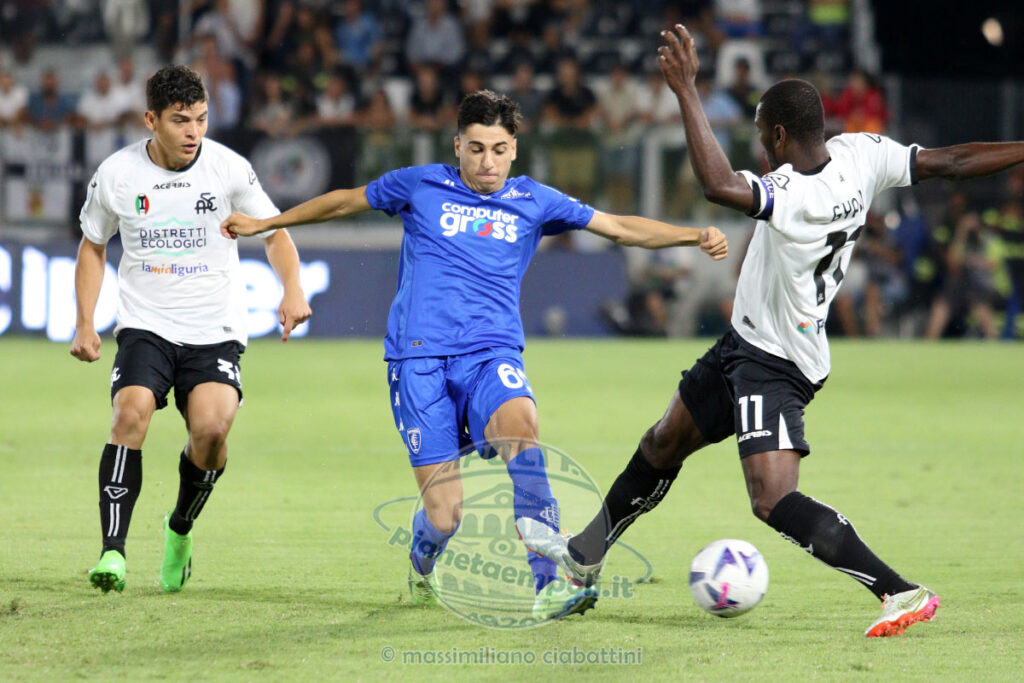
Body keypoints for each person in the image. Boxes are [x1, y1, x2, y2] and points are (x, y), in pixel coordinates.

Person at [521, 25, 1024, 637]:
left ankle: (901, 592)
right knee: (662, 442)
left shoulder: (794, 193)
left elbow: (717, 185)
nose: (762, 149)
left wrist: (686, 90)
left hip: (777, 360)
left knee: (771, 498)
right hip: (745, 342)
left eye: (763, 137)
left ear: (780, 136)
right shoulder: (861, 153)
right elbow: (952, 162)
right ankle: (584, 557)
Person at [220, 89, 729, 620]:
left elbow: (619, 227)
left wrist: (693, 236)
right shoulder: (420, 184)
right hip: (419, 362)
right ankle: (421, 563)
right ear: (458, 145)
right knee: (446, 517)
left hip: (491, 354)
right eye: (478, 148)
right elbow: (345, 201)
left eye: (500, 149)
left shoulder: (534, 199)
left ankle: (549, 585)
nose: (488, 162)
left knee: (522, 431)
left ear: (515, 150)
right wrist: (265, 224)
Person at [71, 65, 312, 594]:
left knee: (211, 432)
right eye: (180, 121)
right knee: (129, 412)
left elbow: (274, 233)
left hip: (215, 328)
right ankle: (113, 552)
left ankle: (179, 528)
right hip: (146, 325)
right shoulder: (118, 174)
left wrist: (293, 287)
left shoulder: (228, 169)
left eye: (201, 119)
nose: (193, 132)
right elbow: (93, 245)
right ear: (151, 120)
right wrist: (85, 322)